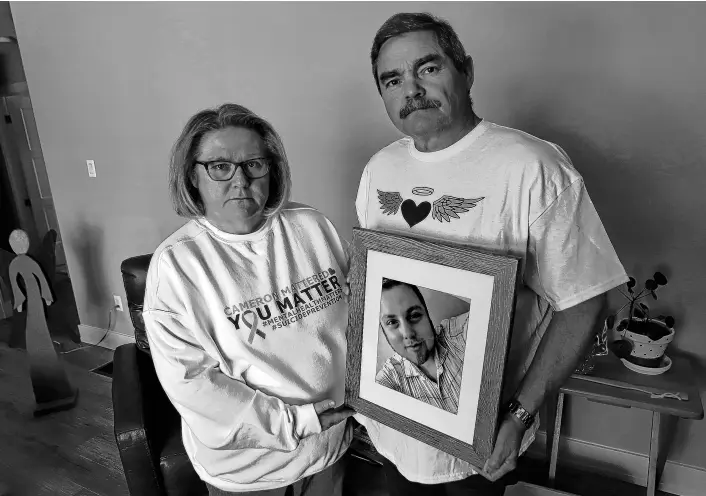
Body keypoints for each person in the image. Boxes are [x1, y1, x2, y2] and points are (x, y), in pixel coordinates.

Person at [355, 12, 628, 496]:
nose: (411, 89)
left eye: (428, 68)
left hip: (482, 434)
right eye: (392, 79)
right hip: (395, 420)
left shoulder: (531, 167)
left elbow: (584, 301)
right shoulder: (380, 169)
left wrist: (521, 414)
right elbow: (375, 284)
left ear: (467, 72)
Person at [143, 103, 354, 495]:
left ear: (270, 169)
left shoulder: (313, 226)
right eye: (220, 167)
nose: (240, 181)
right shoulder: (177, 266)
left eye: (254, 164)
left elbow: (358, 313)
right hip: (249, 471)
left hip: (330, 448)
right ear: (193, 175)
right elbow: (193, 384)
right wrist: (294, 423)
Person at [376, 278, 467, 415]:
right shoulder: (388, 381)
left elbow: (493, 299)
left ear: (427, 315)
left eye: (415, 315)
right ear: (384, 332)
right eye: (392, 322)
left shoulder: (458, 334)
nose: (408, 333)